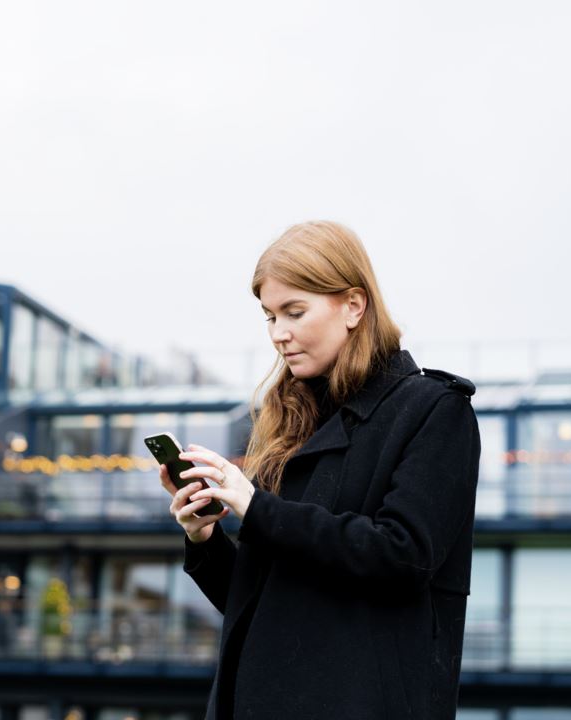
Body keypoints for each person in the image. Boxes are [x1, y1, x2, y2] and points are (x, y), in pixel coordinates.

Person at [159, 221, 481, 719]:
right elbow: (260, 605)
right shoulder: (287, 420)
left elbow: (404, 557)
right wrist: (203, 538)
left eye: (294, 311)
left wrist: (255, 506)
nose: (278, 335)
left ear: (354, 305)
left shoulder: (434, 411)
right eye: (269, 316)